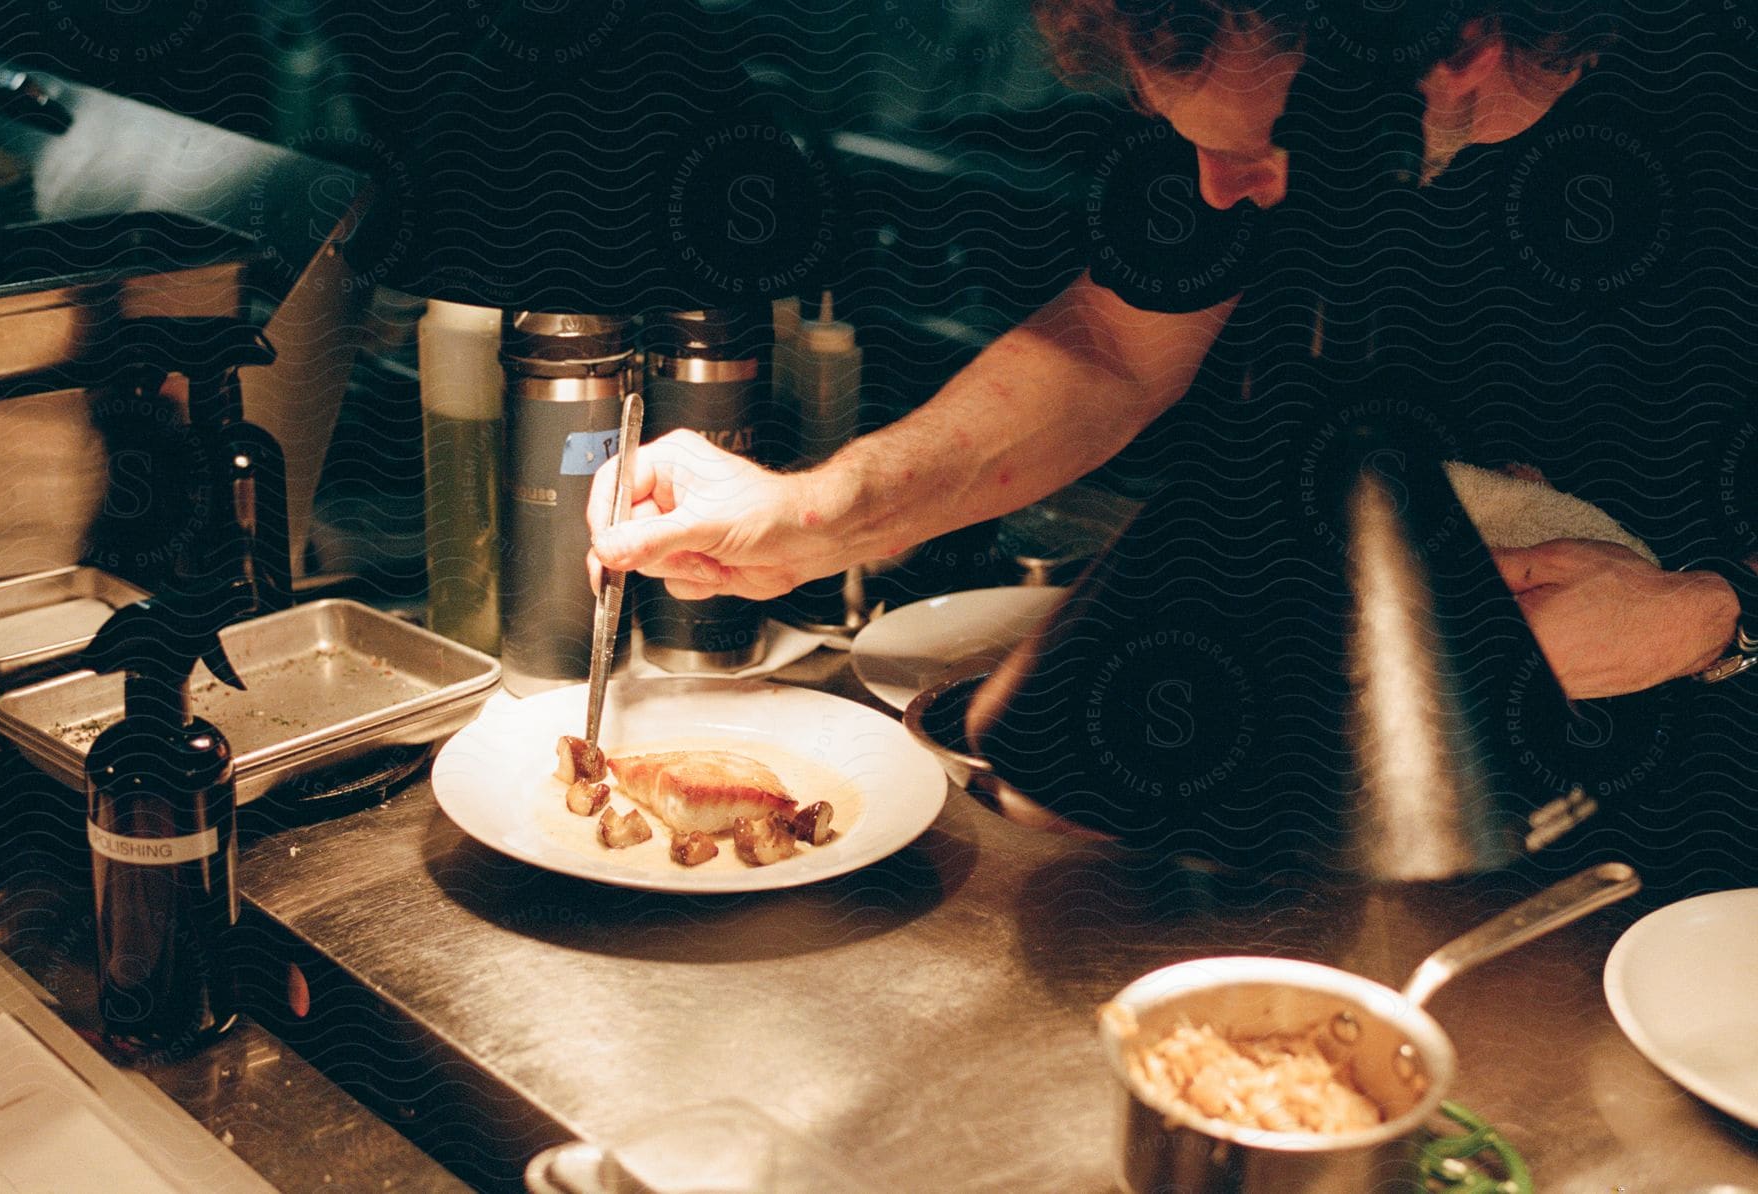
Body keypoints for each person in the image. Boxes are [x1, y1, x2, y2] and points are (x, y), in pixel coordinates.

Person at [588, 1, 1756, 881]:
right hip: (1342, 760)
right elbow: (1113, 347)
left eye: (1253, 153)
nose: (1221, 189)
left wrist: (1712, 614)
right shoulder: (1263, 52)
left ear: (1458, 53)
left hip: (1692, 831)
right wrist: (820, 514)